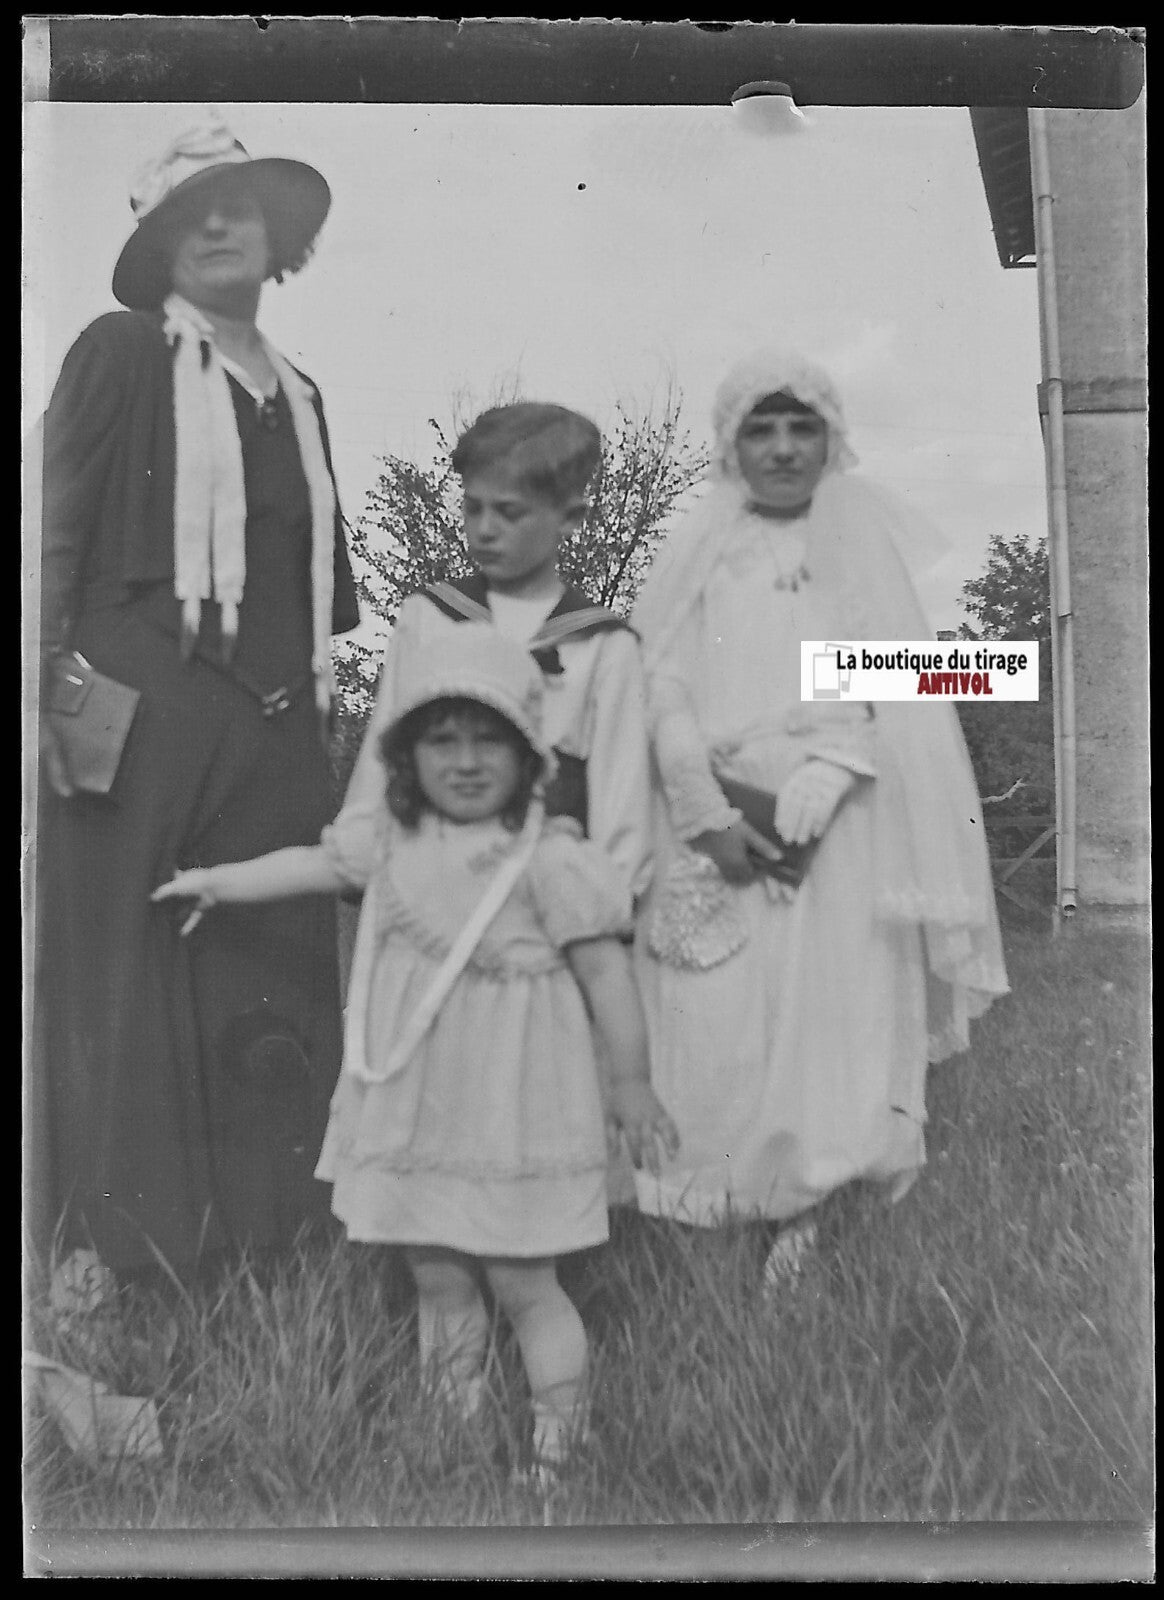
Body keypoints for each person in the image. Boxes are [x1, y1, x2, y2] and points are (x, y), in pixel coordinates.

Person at [154, 628, 678, 1478]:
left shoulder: (548, 858)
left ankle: (558, 1449)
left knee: (524, 1283)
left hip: (512, 1107)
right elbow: (311, 865)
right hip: (417, 1100)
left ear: (528, 752)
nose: (465, 762)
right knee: (439, 1278)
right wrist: (219, 883)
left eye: (489, 741)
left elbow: (607, 975)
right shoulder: (394, 842)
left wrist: (632, 1081)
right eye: (442, 740)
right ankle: (452, 1436)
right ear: (407, 754)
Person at [34, 117, 361, 1278]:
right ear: (159, 246)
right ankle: (120, 1255)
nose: (219, 224)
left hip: (275, 726)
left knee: (271, 962)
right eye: (191, 212)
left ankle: (274, 1247)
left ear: (281, 237)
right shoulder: (120, 352)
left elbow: (321, 598)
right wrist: (46, 699)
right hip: (137, 714)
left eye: (241, 204)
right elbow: (47, 532)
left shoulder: (302, 395)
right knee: (127, 971)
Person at [631, 349, 1008, 1283]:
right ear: (730, 443)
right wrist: (699, 800)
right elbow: (661, 682)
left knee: (828, 1004)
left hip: (840, 812)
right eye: (761, 429)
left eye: (802, 427)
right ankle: (711, 1194)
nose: (783, 448)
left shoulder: (856, 546)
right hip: (719, 806)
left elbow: (911, 684)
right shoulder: (701, 550)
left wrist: (840, 764)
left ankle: (807, 1199)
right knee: (717, 1003)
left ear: (831, 438)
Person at [341, 402, 654, 906]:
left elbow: (624, 800)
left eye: (509, 512)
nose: (485, 529)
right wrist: (359, 853)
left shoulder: (605, 645)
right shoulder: (430, 616)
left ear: (570, 518)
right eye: (473, 508)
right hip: (432, 877)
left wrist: (611, 901)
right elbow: (382, 752)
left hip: (543, 893)